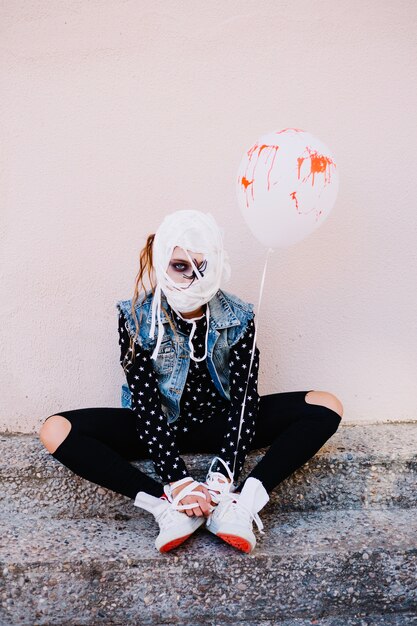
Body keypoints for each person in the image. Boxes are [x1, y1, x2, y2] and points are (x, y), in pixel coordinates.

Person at [39, 209, 343, 555]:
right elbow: (145, 402)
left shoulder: (239, 316)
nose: (192, 278)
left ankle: (240, 504)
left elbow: (245, 398)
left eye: (203, 266)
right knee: (55, 429)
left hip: (222, 423)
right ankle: (167, 508)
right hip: (158, 427)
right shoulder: (135, 317)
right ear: (159, 262)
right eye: (180, 266)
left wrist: (220, 480)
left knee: (325, 405)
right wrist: (178, 481)